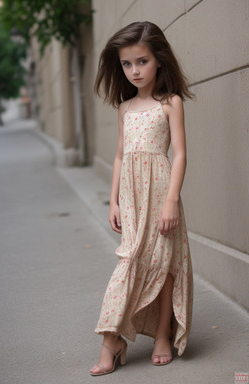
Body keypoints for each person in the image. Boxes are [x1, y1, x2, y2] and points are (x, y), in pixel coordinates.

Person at [90, 21, 194, 376]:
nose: (134, 71)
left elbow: (179, 153)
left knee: (164, 265)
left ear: (159, 61)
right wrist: (114, 200)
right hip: (132, 198)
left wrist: (171, 200)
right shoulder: (124, 108)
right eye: (126, 64)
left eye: (142, 61)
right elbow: (120, 155)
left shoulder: (170, 103)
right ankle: (111, 339)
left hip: (162, 193)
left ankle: (162, 333)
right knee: (130, 260)